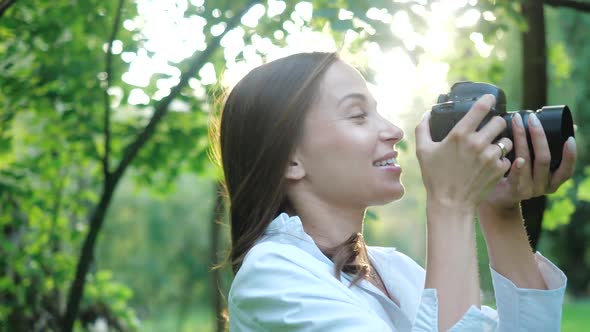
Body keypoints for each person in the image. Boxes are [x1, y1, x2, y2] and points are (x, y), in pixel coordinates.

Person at [213, 52, 577, 331]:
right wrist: (450, 204)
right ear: (290, 160)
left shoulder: (393, 269)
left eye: (379, 112)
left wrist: (499, 211)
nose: (394, 131)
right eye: (358, 116)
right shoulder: (272, 277)